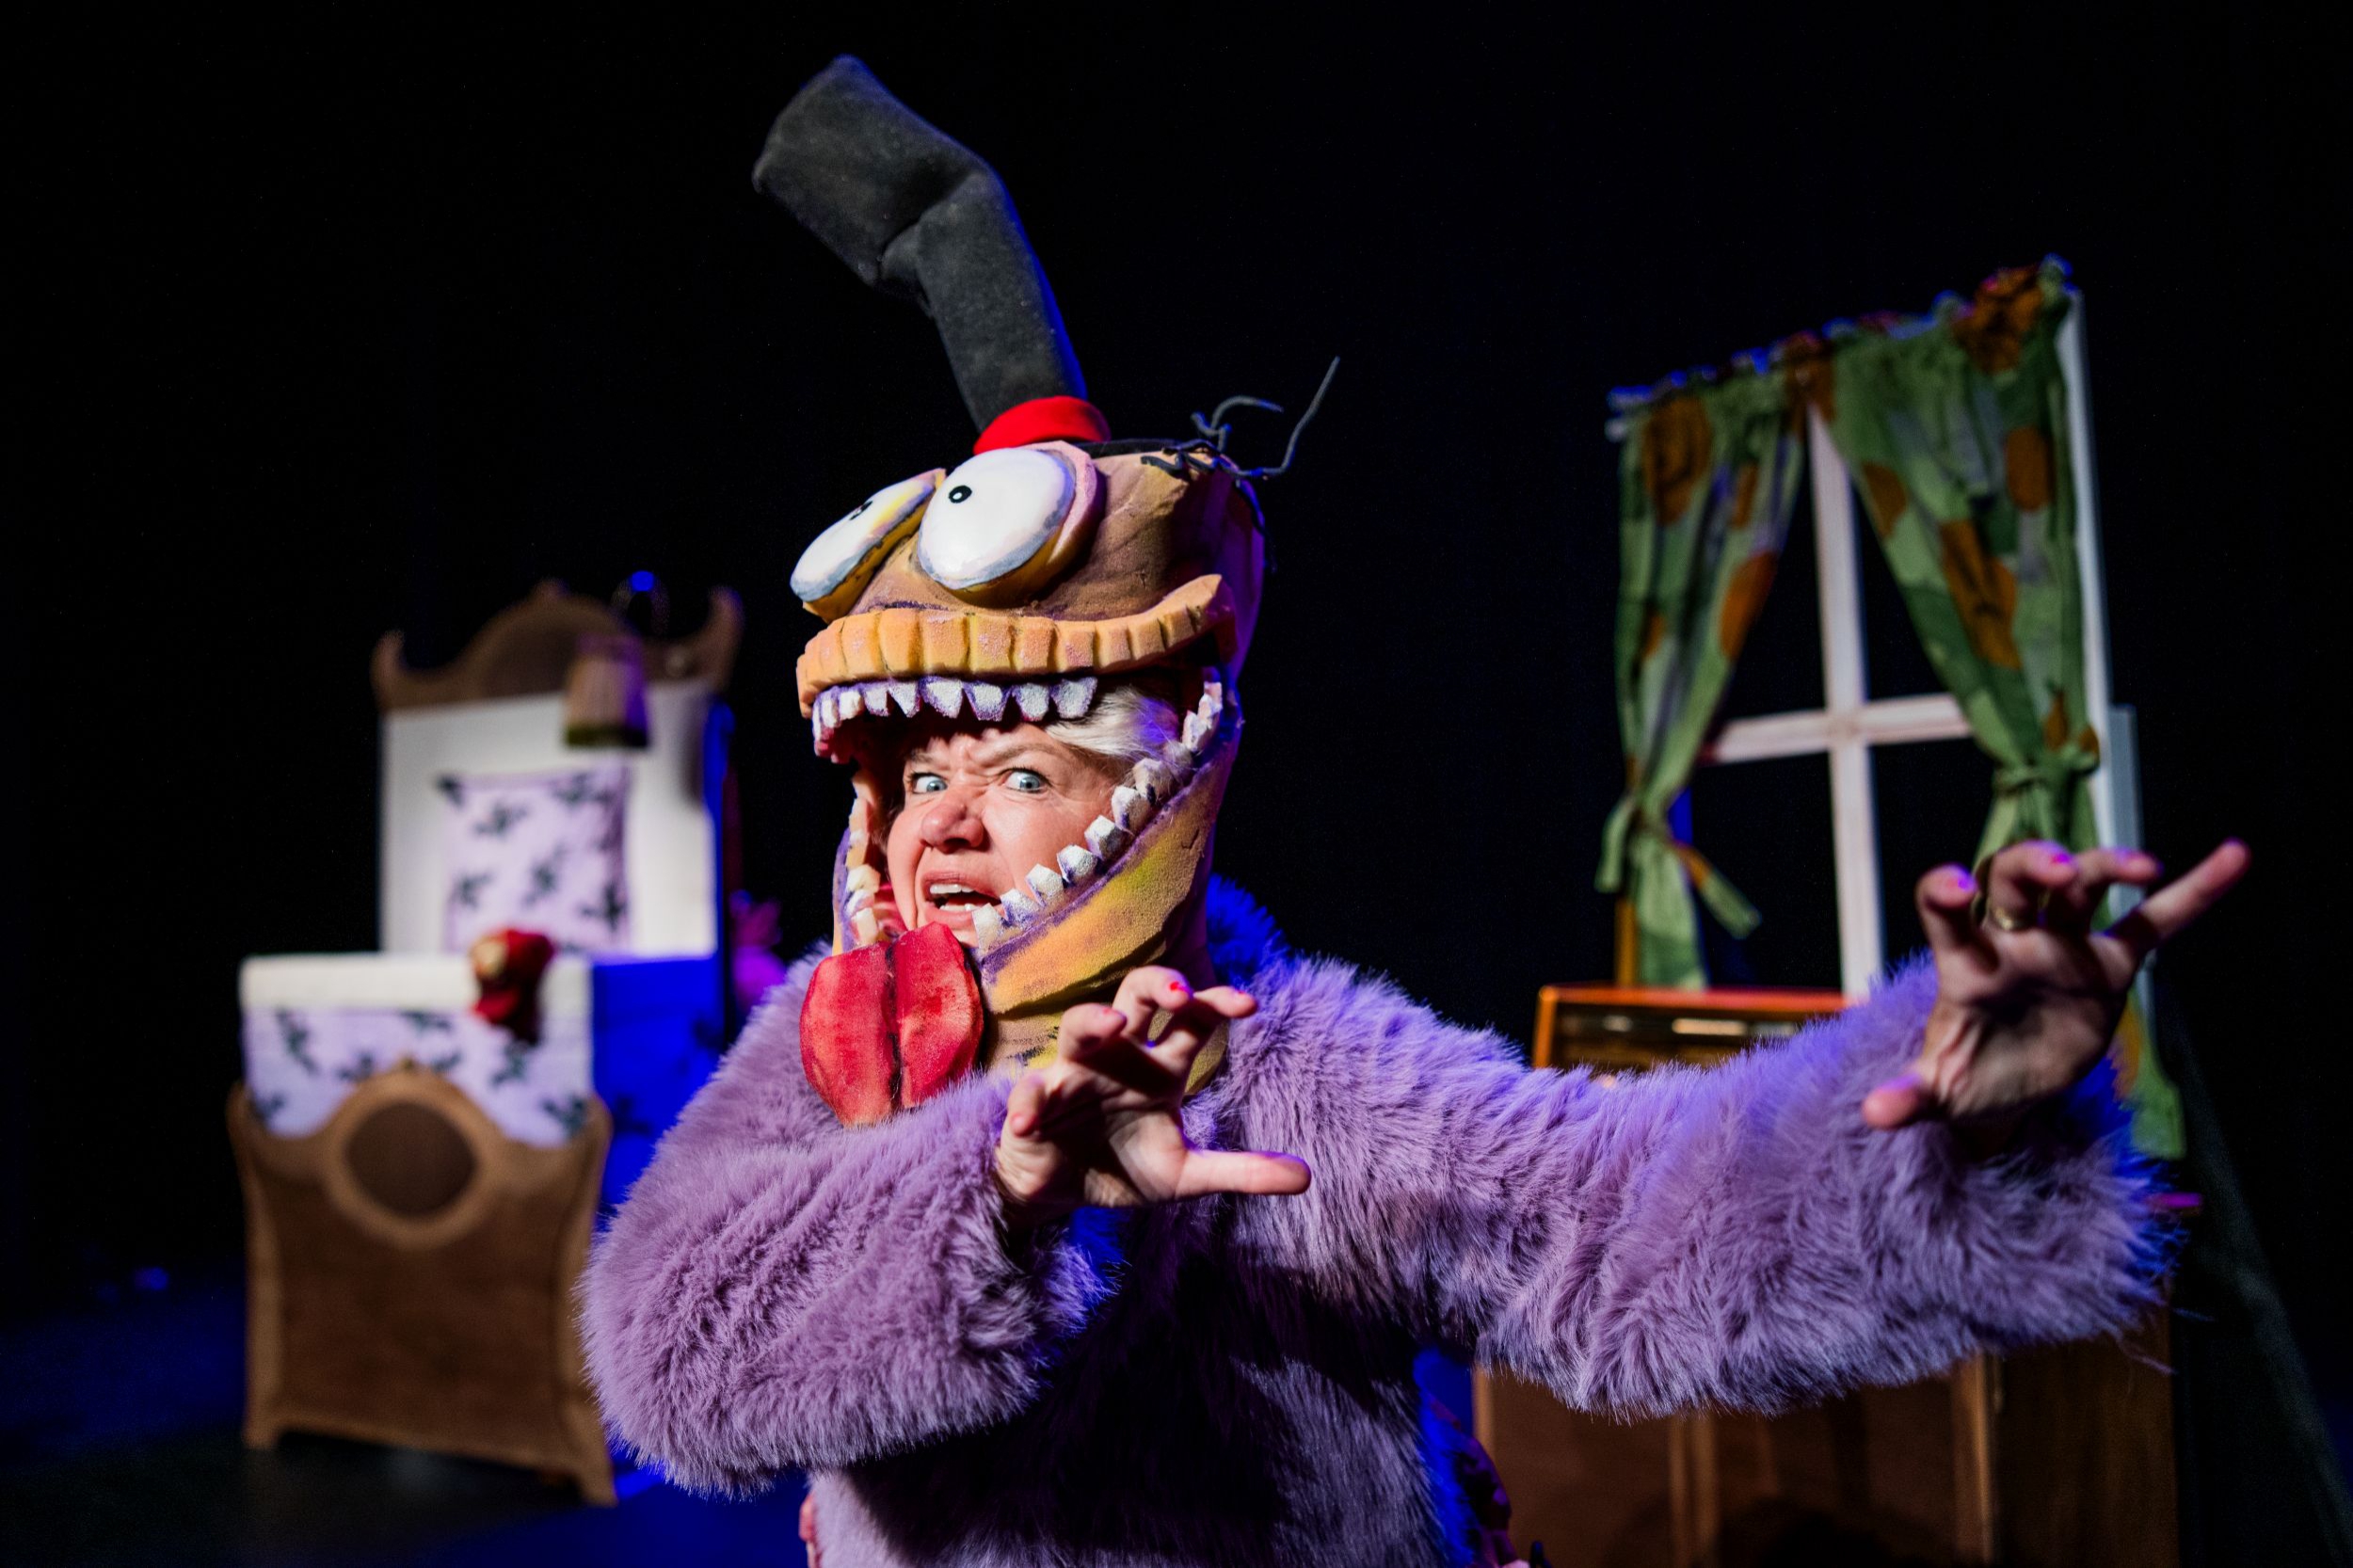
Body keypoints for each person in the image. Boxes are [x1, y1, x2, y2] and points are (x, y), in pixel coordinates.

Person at [580, 58, 2247, 1567]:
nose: (942, 823)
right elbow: (670, 1363)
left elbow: (1620, 1224)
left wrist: (1953, 1119)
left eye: (1018, 773)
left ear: (1154, 790)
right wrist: (1001, 1191)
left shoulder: (1297, 1061)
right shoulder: (831, 1049)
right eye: (920, 778)